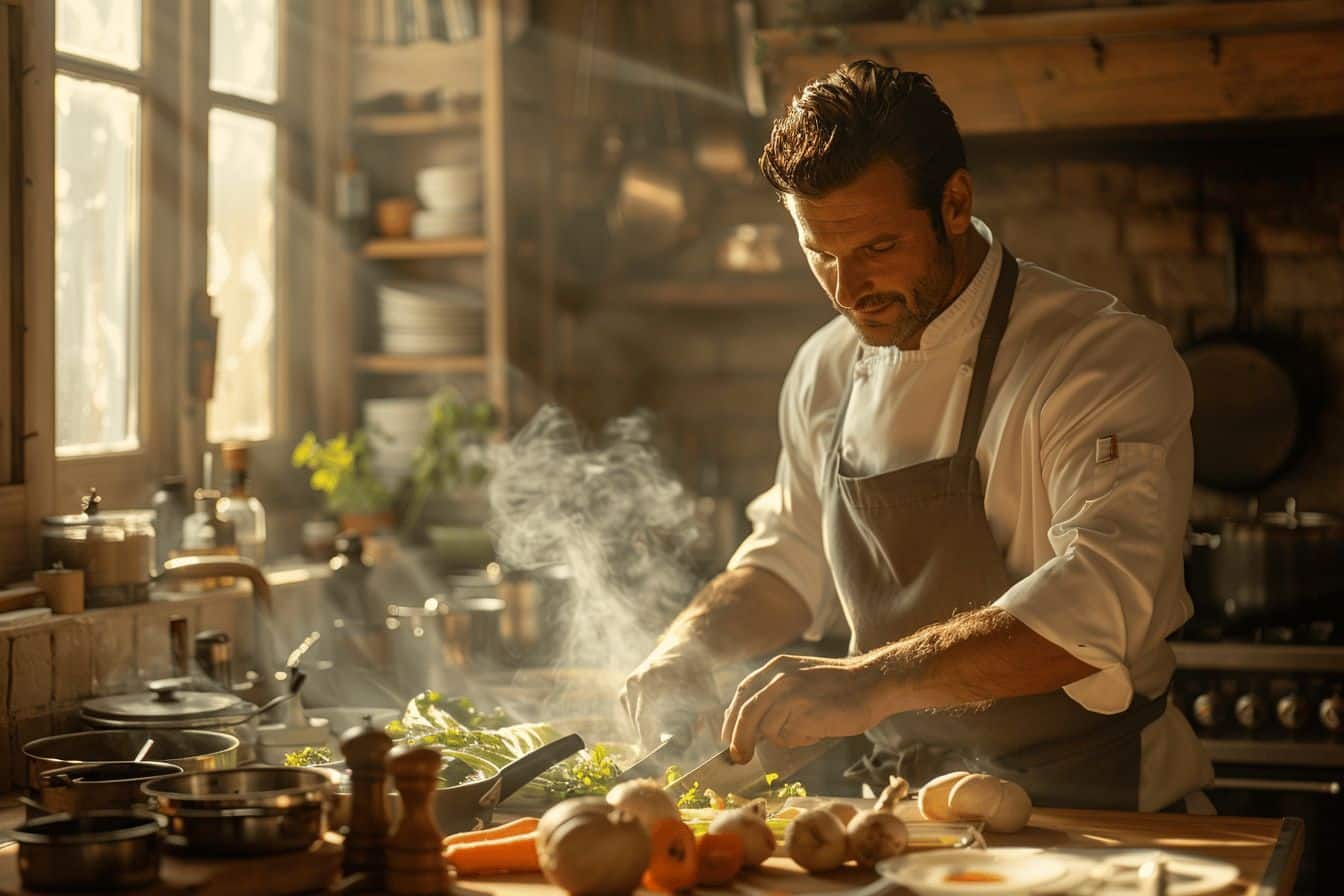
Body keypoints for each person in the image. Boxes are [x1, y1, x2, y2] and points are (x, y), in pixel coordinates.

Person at [620, 60, 1213, 812]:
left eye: (875, 248)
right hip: (911, 815)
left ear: (955, 203)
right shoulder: (825, 369)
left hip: (1104, 808)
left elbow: (1103, 599)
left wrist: (869, 683)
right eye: (820, 254)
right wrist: (687, 649)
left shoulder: (1097, 357)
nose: (846, 291)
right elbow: (789, 556)